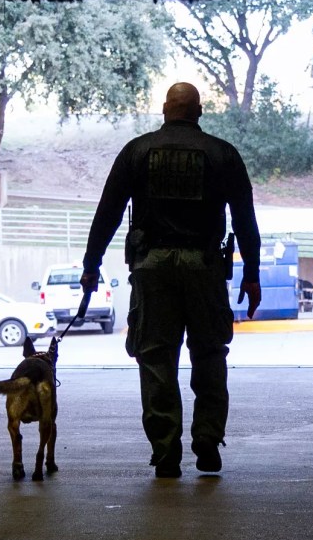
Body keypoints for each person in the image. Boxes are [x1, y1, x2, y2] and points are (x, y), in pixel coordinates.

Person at [80, 82, 262, 479]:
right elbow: (246, 221)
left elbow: (107, 213)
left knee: (157, 359)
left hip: (153, 269)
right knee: (210, 354)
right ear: (199, 111)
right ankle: (208, 442)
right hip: (205, 268)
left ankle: (166, 452)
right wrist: (252, 274)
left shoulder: (137, 152)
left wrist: (91, 265)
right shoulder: (222, 154)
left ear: (165, 109)